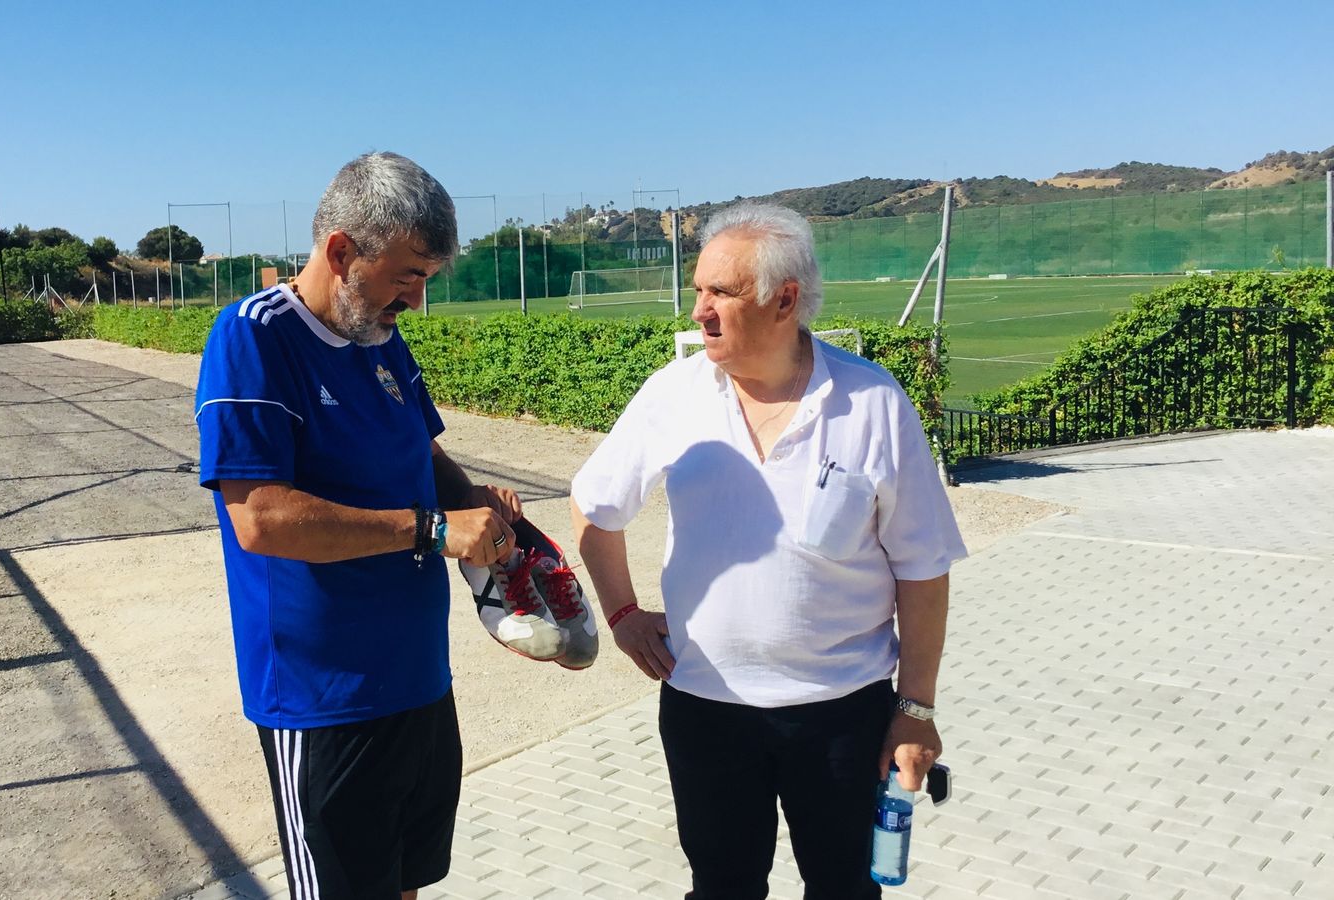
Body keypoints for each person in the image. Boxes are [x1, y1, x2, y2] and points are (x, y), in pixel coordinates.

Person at [569, 202, 966, 899]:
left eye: (720, 292)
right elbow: (594, 506)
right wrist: (624, 615)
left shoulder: (871, 403)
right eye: (698, 289)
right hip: (705, 709)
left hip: (843, 713)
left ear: (784, 300)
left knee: (846, 889)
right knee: (722, 888)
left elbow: (923, 570)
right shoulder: (673, 395)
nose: (699, 310)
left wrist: (917, 710)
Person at [195, 151, 522, 900]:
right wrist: (434, 529)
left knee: (404, 883)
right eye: (407, 275)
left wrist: (481, 510)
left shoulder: (378, 336)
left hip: (417, 678)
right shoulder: (253, 338)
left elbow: (423, 452)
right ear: (341, 251)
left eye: (427, 279)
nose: (417, 299)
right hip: (324, 698)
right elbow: (261, 519)